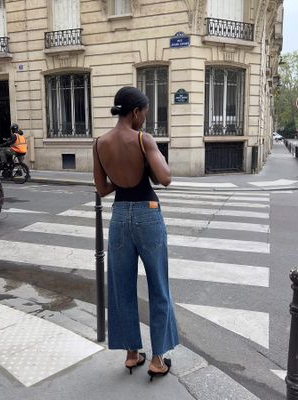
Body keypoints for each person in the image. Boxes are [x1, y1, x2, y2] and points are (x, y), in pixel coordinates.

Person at [93, 86, 179, 381]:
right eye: (144, 113)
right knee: (158, 286)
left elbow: (102, 189)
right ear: (135, 112)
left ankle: (131, 354)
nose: (145, 118)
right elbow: (166, 178)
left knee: (121, 288)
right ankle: (157, 359)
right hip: (148, 212)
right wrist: (143, 169)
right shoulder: (143, 139)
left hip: (119, 216)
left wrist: (122, 180)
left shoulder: (100, 143)